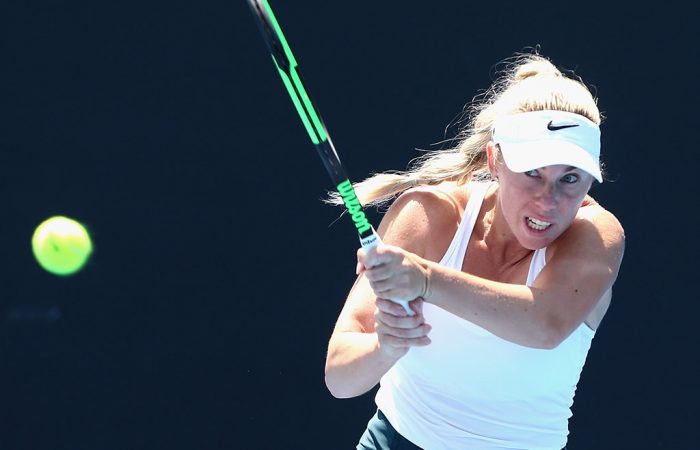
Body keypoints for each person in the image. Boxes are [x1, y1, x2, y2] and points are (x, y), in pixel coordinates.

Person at [324, 53, 625, 450]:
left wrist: (426, 278)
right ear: (494, 161)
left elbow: (545, 324)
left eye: (570, 179)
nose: (548, 201)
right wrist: (387, 346)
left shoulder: (597, 234)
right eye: (532, 173)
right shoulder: (428, 215)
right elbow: (340, 379)